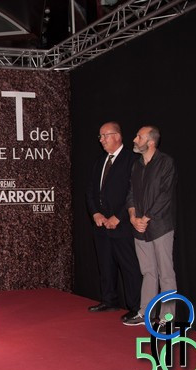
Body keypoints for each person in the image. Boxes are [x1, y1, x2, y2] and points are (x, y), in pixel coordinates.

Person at [85, 122, 142, 322]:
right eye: (100, 137)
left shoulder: (132, 160)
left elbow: (134, 193)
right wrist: (96, 214)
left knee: (129, 267)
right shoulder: (100, 161)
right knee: (105, 265)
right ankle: (109, 300)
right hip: (101, 226)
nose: (101, 140)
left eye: (105, 135)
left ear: (117, 136)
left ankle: (136, 307)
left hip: (123, 225)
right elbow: (90, 191)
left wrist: (118, 216)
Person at [123, 126, 177, 326]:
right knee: (148, 272)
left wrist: (145, 218)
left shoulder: (166, 163)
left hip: (160, 226)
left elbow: (165, 195)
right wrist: (132, 217)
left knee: (166, 274)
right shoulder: (137, 165)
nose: (134, 139)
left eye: (139, 137)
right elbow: (130, 193)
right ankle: (145, 312)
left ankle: (167, 319)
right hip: (139, 227)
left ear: (151, 142)